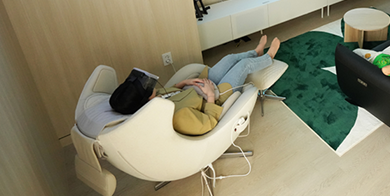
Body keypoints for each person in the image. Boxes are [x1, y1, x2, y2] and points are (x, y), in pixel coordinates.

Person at [109, 35, 280, 136]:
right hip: (215, 96)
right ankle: (269, 57)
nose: (149, 84)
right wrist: (210, 95)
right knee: (243, 66)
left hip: (200, 85)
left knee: (229, 58)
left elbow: (170, 92)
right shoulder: (177, 118)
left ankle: (255, 52)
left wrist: (185, 82)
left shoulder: (155, 99)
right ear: (143, 101)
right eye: (146, 88)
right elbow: (208, 123)